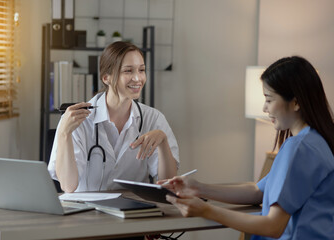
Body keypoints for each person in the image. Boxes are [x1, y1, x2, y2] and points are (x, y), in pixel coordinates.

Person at [162, 56, 334, 239]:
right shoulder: (315, 141)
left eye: (269, 99)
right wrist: (198, 188)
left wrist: (206, 210)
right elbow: (258, 192)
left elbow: (273, 226)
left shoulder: (299, 148)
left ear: (296, 102)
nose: (264, 108)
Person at [48, 41, 179, 193]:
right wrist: (64, 133)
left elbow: (168, 184)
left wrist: (163, 142)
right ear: (106, 78)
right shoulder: (77, 120)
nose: (138, 78)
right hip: (86, 212)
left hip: (133, 212)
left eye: (141, 70)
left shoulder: (153, 119)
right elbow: (68, 186)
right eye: (128, 71)